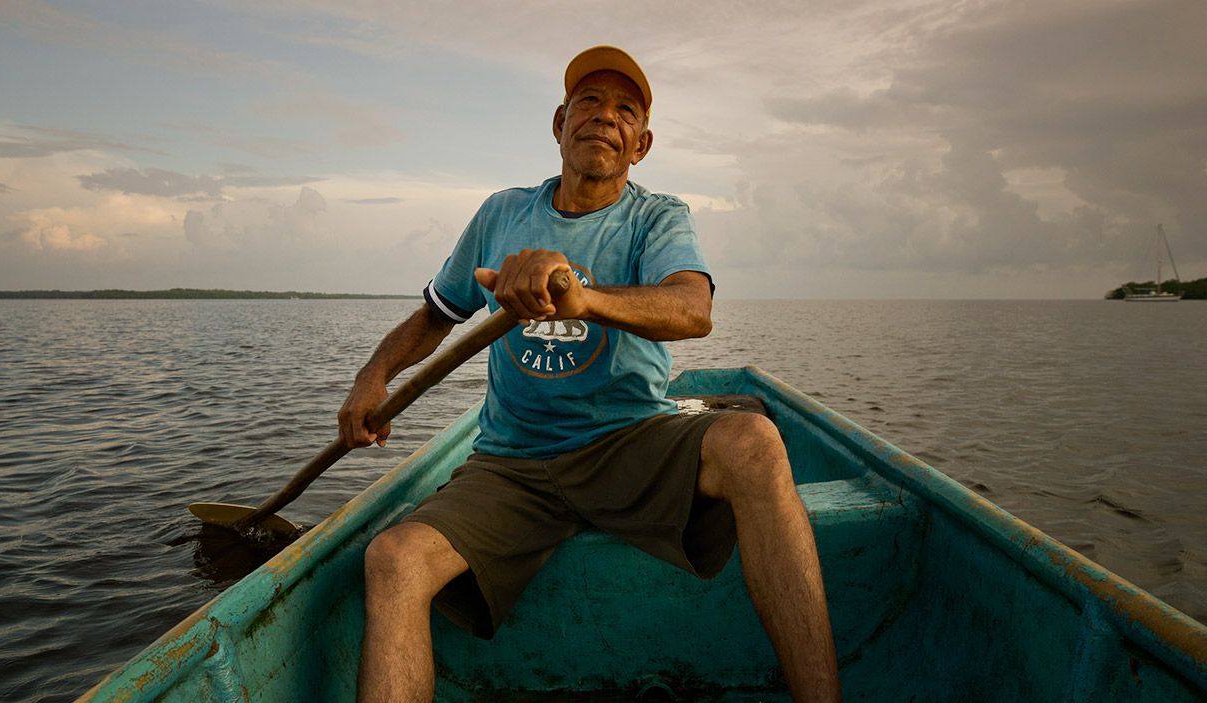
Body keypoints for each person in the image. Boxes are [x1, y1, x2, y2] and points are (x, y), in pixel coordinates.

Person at [340, 46, 841, 703]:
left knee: (754, 442)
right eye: (590, 102)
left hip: (627, 446)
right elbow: (437, 315)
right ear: (559, 122)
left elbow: (692, 310)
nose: (606, 117)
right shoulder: (501, 214)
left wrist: (586, 297)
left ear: (642, 144)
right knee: (393, 559)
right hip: (512, 463)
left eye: (625, 110)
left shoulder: (657, 218)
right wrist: (371, 377)